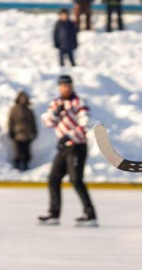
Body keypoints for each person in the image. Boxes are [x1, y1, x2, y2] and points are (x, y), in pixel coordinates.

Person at [38, 76, 98, 227]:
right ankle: (54, 213)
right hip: (64, 148)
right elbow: (46, 122)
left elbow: (86, 123)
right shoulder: (56, 103)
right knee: (53, 178)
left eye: (69, 86)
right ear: (59, 88)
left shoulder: (79, 102)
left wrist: (69, 136)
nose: (67, 89)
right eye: (64, 86)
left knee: (76, 180)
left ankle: (90, 214)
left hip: (77, 146)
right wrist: (54, 114)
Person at [7, 91, 37, 171]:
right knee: (18, 151)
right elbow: (11, 121)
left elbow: (33, 122)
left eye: (24, 98)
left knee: (26, 151)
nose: (23, 100)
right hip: (18, 134)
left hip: (27, 134)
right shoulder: (14, 109)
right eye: (21, 98)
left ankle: (25, 165)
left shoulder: (29, 110)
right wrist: (11, 131)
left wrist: (34, 132)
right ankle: (17, 166)